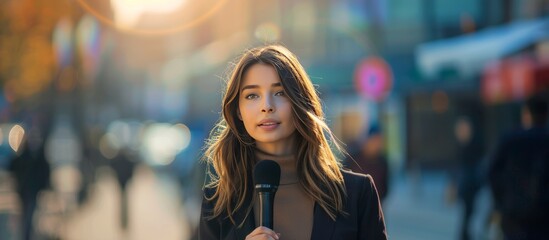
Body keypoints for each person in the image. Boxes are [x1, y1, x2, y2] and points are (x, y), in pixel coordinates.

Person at [199, 45, 387, 240]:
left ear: (300, 101)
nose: (267, 106)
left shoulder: (357, 193)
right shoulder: (217, 203)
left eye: (280, 93)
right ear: (238, 110)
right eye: (252, 95)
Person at [488, 94, 549, 240]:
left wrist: (501, 203)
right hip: (544, 215)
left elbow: (492, 174)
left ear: (526, 114)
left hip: (513, 215)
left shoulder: (509, 140)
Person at [453, 116, 483, 240]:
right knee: (466, 215)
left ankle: (466, 235)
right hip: (465, 187)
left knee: (469, 214)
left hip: (471, 186)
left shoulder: (474, 146)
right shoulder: (460, 147)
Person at [345, 125, 390, 203]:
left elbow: (385, 188)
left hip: (375, 205)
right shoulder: (353, 158)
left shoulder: (383, 162)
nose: (377, 144)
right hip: (354, 205)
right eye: (374, 140)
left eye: (379, 141)